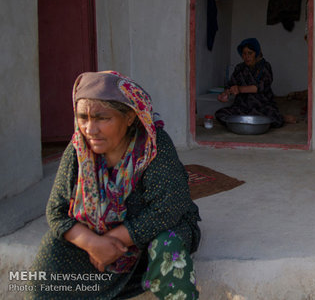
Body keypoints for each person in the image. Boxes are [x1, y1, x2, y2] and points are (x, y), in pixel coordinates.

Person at [28, 71, 201, 299]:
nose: (90, 129)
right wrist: (93, 244)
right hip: (97, 240)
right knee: (53, 250)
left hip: (150, 233)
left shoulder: (154, 146)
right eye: (83, 117)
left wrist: (115, 241)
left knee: (167, 247)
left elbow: (169, 207)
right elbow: (56, 212)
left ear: (129, 117)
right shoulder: (78, 150)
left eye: (102, 118)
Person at [216, 38, 294, 127]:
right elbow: (230, 85)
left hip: (262, 107)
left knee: (276, 120)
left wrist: (240, 89)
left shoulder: (265, 67)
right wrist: (225, 94)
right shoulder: (239, 68)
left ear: (256, 53)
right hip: (242, 107)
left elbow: (261, 86)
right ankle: (250, 121)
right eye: (244, 54)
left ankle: (247, 121)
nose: (246, 57)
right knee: (220, 114)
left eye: (250, 53)